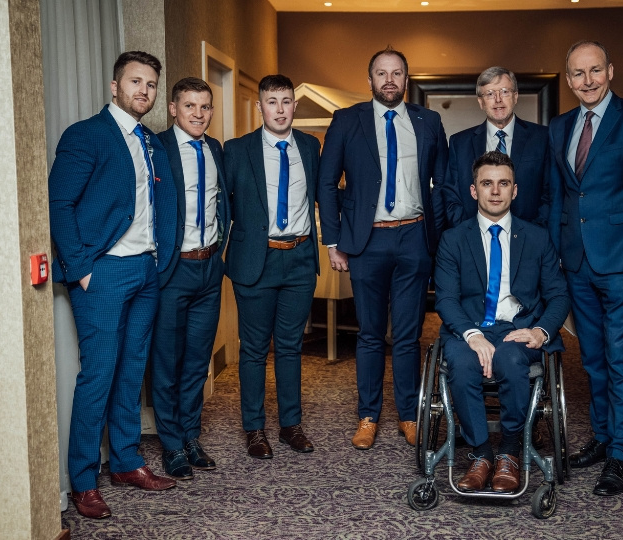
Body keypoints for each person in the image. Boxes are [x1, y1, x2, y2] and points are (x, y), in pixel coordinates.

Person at [48, 51, 178, 519]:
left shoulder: (150, 142)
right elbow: (60, 203)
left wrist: (160, 261)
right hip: (102, 273)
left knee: (131, 371)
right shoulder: (86, 135)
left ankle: (125, 462)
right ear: (114, 86)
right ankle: (83, 480)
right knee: (98, 375)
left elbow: (158, 204)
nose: (144, 91)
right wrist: (82, 267)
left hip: (145, 272)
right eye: (135, 82)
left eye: (150, 85)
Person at [548, 40, 623, 496]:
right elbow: (563, 196)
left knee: (621, 359)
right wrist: (555, 256)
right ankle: (601, 438)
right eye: (578, 74)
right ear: (569, 79)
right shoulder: (560, 127)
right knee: (594, 360)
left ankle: (621, 452)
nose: (587, 80)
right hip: (576, 261)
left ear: (610, 71)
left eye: (595, 70)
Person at [318, 46, 449, 450]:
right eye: (381, 73)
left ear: (406, 80)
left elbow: (442, 185)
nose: (389, 80)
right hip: (367, 240)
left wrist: (439, 241)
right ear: (370, 79)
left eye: (396, 73)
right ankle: (368, 415)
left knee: (408, 336)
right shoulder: (345, 121)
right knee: (371, 334)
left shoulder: (429, 121)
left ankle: (410, 415)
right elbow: (326, 184)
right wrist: (334, 240)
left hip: (414, 237)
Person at [436, 151, 569, 492]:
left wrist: (540, 331)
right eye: (487, 183)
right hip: (467, 328)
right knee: (463, 364)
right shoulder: (453, 239)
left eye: (503, 183)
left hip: (518, 328)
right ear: (473, 190)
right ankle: (481, 455)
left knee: (510, 359)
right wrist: (472, 334)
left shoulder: (536, 237)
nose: (495, 191)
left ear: (515, 190)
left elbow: (558, 295)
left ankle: (509, 452)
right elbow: (446, 299)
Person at [223, 74, 320, 459]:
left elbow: (324, 194)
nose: (280, 109)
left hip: (298, 258)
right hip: (255, 260)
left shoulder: (311, 147)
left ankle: (290, 426)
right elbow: (222, 206)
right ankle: (254, 429)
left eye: (286, 101)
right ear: (259, 107)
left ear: (294, 106)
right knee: (254, 349)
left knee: (291, 347)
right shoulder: (236, 150)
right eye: (272, 102)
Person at [151, 77, 230, 479]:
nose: (198, 114)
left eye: (205, 107)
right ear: (173, 108)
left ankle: (190, 436)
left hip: (209, 268)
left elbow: (223, 206)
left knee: (198, 361)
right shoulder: (157, 148)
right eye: (190, 106)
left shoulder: (215, 148)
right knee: (167, 361)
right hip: (172, 269)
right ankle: (170, 444)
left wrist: (222, 253)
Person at [444, 67, 550, 228]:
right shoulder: (459, 143)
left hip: (530, 240)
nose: (498, 99)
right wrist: (470, 234)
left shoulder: (543, 138)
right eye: (490, 94)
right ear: (481, 102)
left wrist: (533, 235)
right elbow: (451, 197)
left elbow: (551, 194)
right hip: (474, 241)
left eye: (505, 92)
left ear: (515, 96)